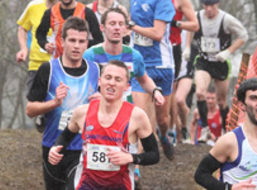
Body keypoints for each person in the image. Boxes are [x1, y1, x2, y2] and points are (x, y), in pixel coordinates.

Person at [48, 60, 160, 190]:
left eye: (118, 79)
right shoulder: (82, 112)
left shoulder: (137, 116)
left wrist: (130, 157)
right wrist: (55, 148)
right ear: (100, 81)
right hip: (86, 185)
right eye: (108, 78)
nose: (112, 83)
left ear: (126, 86)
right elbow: (65, 137)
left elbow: (154, 155)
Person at [26, 17, 100, 190]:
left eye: (81, 41)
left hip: (83, 149)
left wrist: (101, 102)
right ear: (62, 41)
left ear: (86, 44)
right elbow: (30, 110)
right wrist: (54, 102)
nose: (76, 46)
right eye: (72, 40)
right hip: (53, 146)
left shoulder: (96, 70)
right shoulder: (48, 69)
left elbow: (109, 108)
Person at [184, 0, 248, 142]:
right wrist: (188, 47)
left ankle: (226, 130)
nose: (208, 9)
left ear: (217, 4)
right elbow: (189, 29)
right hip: (204, 60)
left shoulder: (226, 20)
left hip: (221, 62)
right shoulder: (197, 17)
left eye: (211, 6)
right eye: (205, 6)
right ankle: (205, 129)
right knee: (200, 92)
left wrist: (228, 51)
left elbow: (243, 35)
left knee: (221, 100)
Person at [83, 8, 164, 106]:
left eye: (120, 24)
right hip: (99, 111)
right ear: (102, 27)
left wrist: (155, 91)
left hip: (126, 112)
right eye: (112, 24)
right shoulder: (90, 55)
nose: (117, 28)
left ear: (126, 28)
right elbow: (82, 85)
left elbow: (144, 80)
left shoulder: (134, 56)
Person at [129, 0, 176, 161]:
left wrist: (131, 27)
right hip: (140, 65)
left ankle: (163, 136)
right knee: (138, 114)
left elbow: (158, 33)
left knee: (162, 119)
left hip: (162, 66)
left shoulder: (163, 2)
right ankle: (136, 167)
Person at [168, 0, 199, 142]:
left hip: (180, 56)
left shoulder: (181, 2)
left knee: (178, 98)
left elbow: (194, 26)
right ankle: (174, 128)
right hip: (158, 49)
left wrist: (175, 23)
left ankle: (178, 129)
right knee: (166, 95)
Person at [16, 0, 58, 96]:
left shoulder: (70, 7)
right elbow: (22, 28)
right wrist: (24, 49)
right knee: (34, 106)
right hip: (37, 65)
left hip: (60, 66)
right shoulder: (34, 5)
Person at [36, 0, 103, 59]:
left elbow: (99, 40)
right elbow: (40, 34)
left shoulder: (87, 12)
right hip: (58, 60)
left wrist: (82, 43)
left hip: (81, 62)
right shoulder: (51, 13)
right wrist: (45, 44)